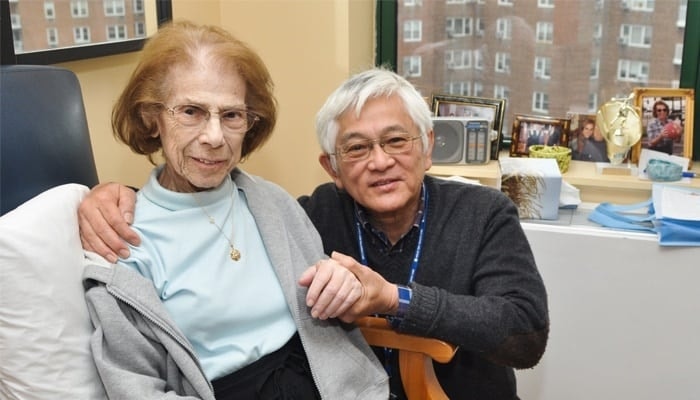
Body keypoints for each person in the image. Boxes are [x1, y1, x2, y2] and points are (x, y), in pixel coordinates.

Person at [79, 68, 549, 400]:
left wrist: (394, 299)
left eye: (397, 141)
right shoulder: (311, 214)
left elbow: (525, 336)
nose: (380, 161)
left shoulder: (483, 211)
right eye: (357, 148)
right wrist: (117, 193)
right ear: (333, 168)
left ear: (427, 148)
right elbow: (198, 211)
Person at [80, 21, 388, 400]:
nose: (214, 137)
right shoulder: (123, 240)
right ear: (151, 118)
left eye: (231, 116)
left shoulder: (271, 202)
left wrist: (344, 288)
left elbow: (332, 308)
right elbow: (133, 386)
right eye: (191, 111)